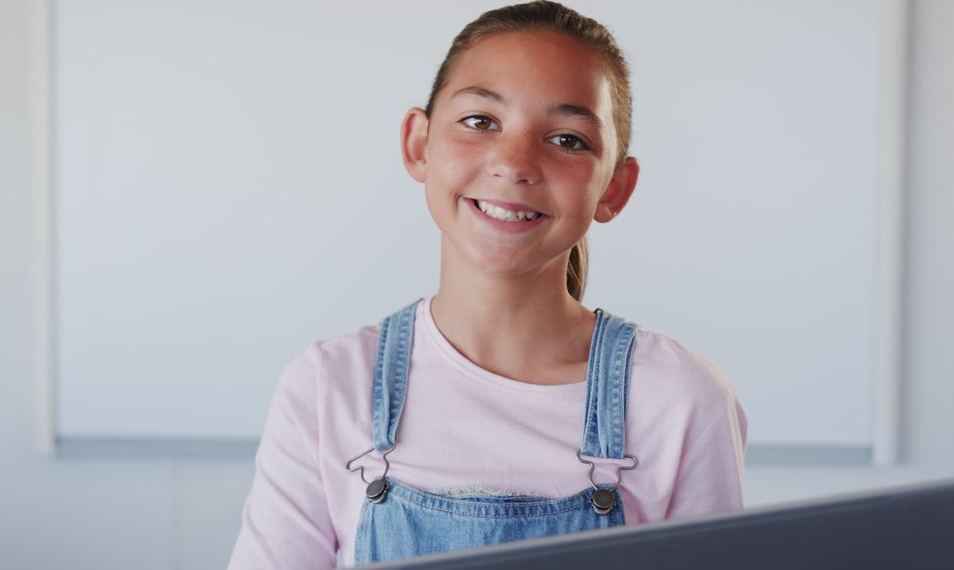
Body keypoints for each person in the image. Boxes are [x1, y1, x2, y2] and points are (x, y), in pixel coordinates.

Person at [228, 1, 746, 568]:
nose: (514, 162)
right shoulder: (328, 387)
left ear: (614, 189)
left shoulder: (683, 401)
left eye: (568, 139)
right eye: (480, 122)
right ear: (419, 144)